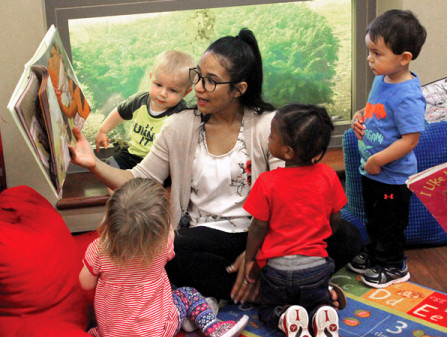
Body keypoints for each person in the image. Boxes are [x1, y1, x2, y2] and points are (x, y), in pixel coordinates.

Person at [70, 28, 360, 307]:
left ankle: (269, 282)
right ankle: (286, 288)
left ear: (239, 89)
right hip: (203, 235)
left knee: (348, 235)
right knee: (168, 254)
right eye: (198, 75)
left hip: (265, 234)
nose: (197, 87)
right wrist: (92, 163)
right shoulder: (179, 126)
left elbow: (289, 196)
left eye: (210, 80)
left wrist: (254, 254)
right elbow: (136, 178)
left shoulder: (266, 126)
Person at [79, 178, 249, 337]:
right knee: (188, 294)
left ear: (110, 219)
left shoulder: (99, 249)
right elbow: (170, 235)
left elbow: (85, 283)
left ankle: (188, 319)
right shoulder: (163, 245)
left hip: (113, 332)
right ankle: (214, 328)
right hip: (160, 330)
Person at [243, 104, 342, 337]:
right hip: (316, 269)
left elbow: (257, 227)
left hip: (277, 271)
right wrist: (321, 237)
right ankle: (322, 311)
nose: (268, 139)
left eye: (272, 136)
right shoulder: (328, 175)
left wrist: (250, 259)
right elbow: (335, 218)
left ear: (287, 152)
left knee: (267, 308)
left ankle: (284, 316)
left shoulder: (267, 182)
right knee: (316, 298)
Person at [347, 9, 427, 289]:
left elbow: (410, 140)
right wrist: (360, 117)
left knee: (390, 224)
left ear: (404, 58)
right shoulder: (382, 79)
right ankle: (374, 255)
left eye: (377, 53)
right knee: (374, 218)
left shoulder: (409, 96)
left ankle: (394, 265)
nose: (369, 58)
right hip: (372, 171)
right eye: (369, 51)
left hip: (392, 177)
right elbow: (375, 112)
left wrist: (378, 160)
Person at [95, 50, 195, 169]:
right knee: (109, 169)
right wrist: (103, 131)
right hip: (132, 154)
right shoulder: (140, 100)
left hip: (159, 162)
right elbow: (120, 112)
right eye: (158, 85)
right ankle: (120, 188)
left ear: (185, 92)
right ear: (151, 78)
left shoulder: (181, 113)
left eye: (172, 90)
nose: (163, 93)